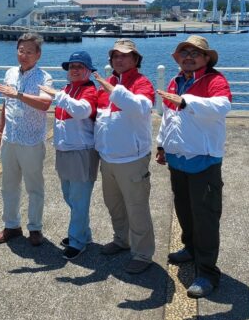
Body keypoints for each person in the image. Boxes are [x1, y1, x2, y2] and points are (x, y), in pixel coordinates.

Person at [155, 35, 232, 299]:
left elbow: (223, 106)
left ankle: (208, 272)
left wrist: (187, 101)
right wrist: (162, 144)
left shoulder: (214, 80)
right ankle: (189, 249)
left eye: (195, 53)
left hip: (204, 159)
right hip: (178, 159)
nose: (189, 57)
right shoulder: (176, 80)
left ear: (206, 58)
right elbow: (169, 116)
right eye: (184, 53)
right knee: (184, 210)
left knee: (206, 218)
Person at [93, 38, 156, 274]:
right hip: (107, 158)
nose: (119, 59)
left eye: (125, 55)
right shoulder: (106, 83)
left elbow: (141, 106)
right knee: (114, 204)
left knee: (137, 207)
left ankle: (143, 254)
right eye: (115, 56)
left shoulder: (141, 83)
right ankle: (122, 239)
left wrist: (114, 90)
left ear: (135, 59)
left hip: (132, 159)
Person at [0, 33, 53, 246]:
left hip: (32, 140)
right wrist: (0, 130)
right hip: (10, 137)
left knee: (34, 186)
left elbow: (45, 104)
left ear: (38, 54)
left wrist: (17, 94)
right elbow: (5, 104)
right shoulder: (10, 73)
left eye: (29, 52)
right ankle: (11, 225)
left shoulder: (44, 78)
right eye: (21, 51)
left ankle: (35, 228)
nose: (24, 55)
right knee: (8, 185)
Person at [39, 51, 99, 260]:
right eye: (71, 66)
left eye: (79, 66)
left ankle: (77, 240)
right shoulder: (67, 90)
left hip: (82, 151)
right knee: (69, 195)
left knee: (79, 198)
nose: (74, 70)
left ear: (89, 71)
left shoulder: (89, 90)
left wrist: (57, 95)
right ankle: (83, 233)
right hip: (65, 150)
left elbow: (82, 111)